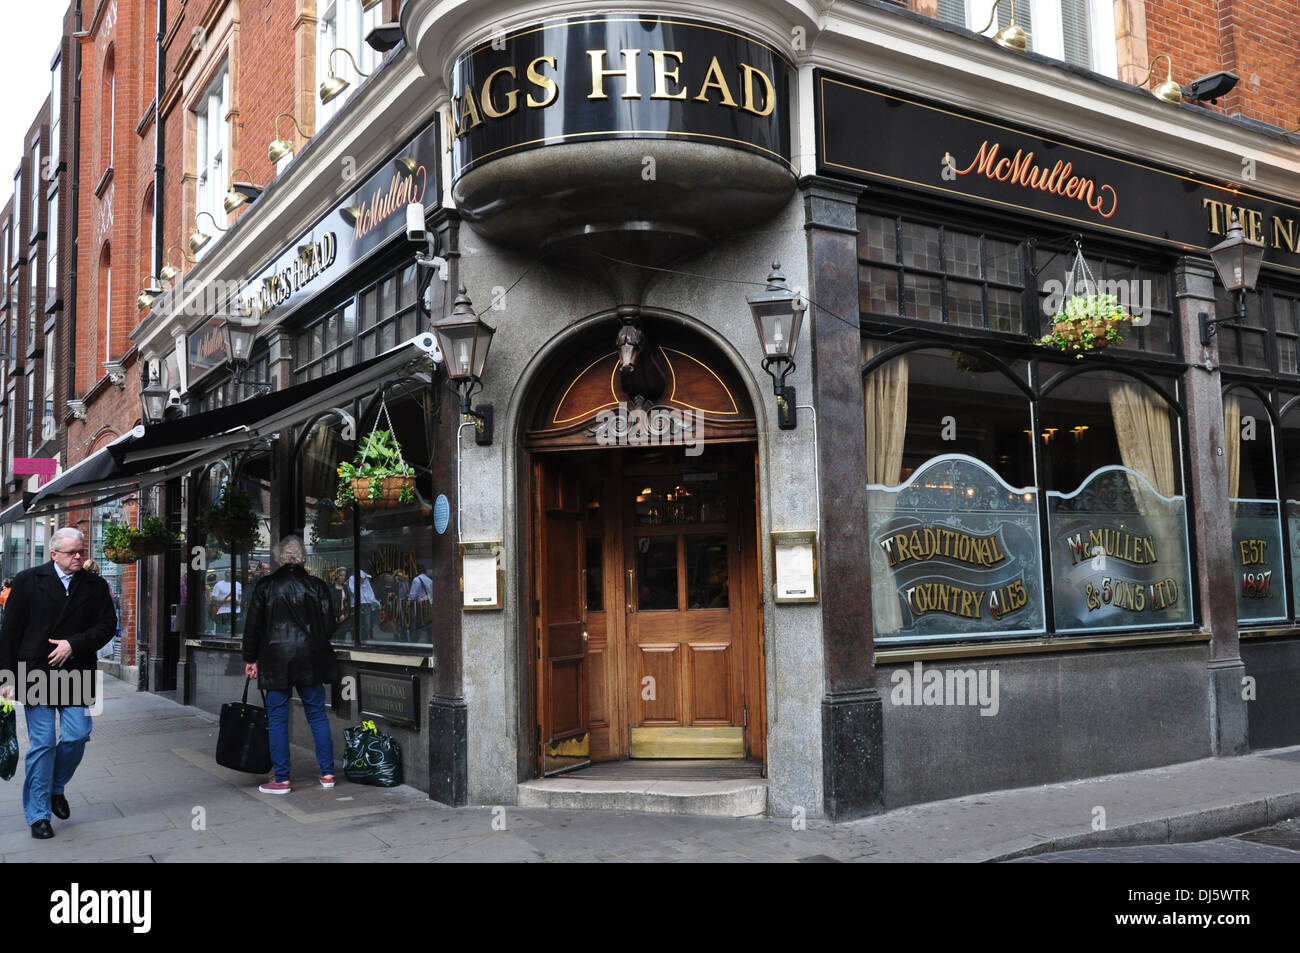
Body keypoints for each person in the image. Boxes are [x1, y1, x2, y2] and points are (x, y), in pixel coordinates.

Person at [0, 528, 116, 839]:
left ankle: (55, 787)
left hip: (75, 670)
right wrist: (6, 676)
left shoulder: (95, 584)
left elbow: (108, 625)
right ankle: (38, 814)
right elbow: (9, 630)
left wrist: (73, 644)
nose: (78, 556)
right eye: (71, 552)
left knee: (78, 735)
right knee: (43, 743)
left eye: (81, 551)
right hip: (35, 670)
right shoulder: (27, 580)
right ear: (54, 554)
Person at [242, 535, 340, 794]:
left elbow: (252, 627)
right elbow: (329, 626)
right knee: (317, 715)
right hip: (311, 659)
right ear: (303, 556)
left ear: (279, 557)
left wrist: (250, 659)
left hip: (275, 661)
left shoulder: (265, 586)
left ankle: (282, 779)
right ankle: (328, 774)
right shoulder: (317, 586)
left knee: (277, 719)